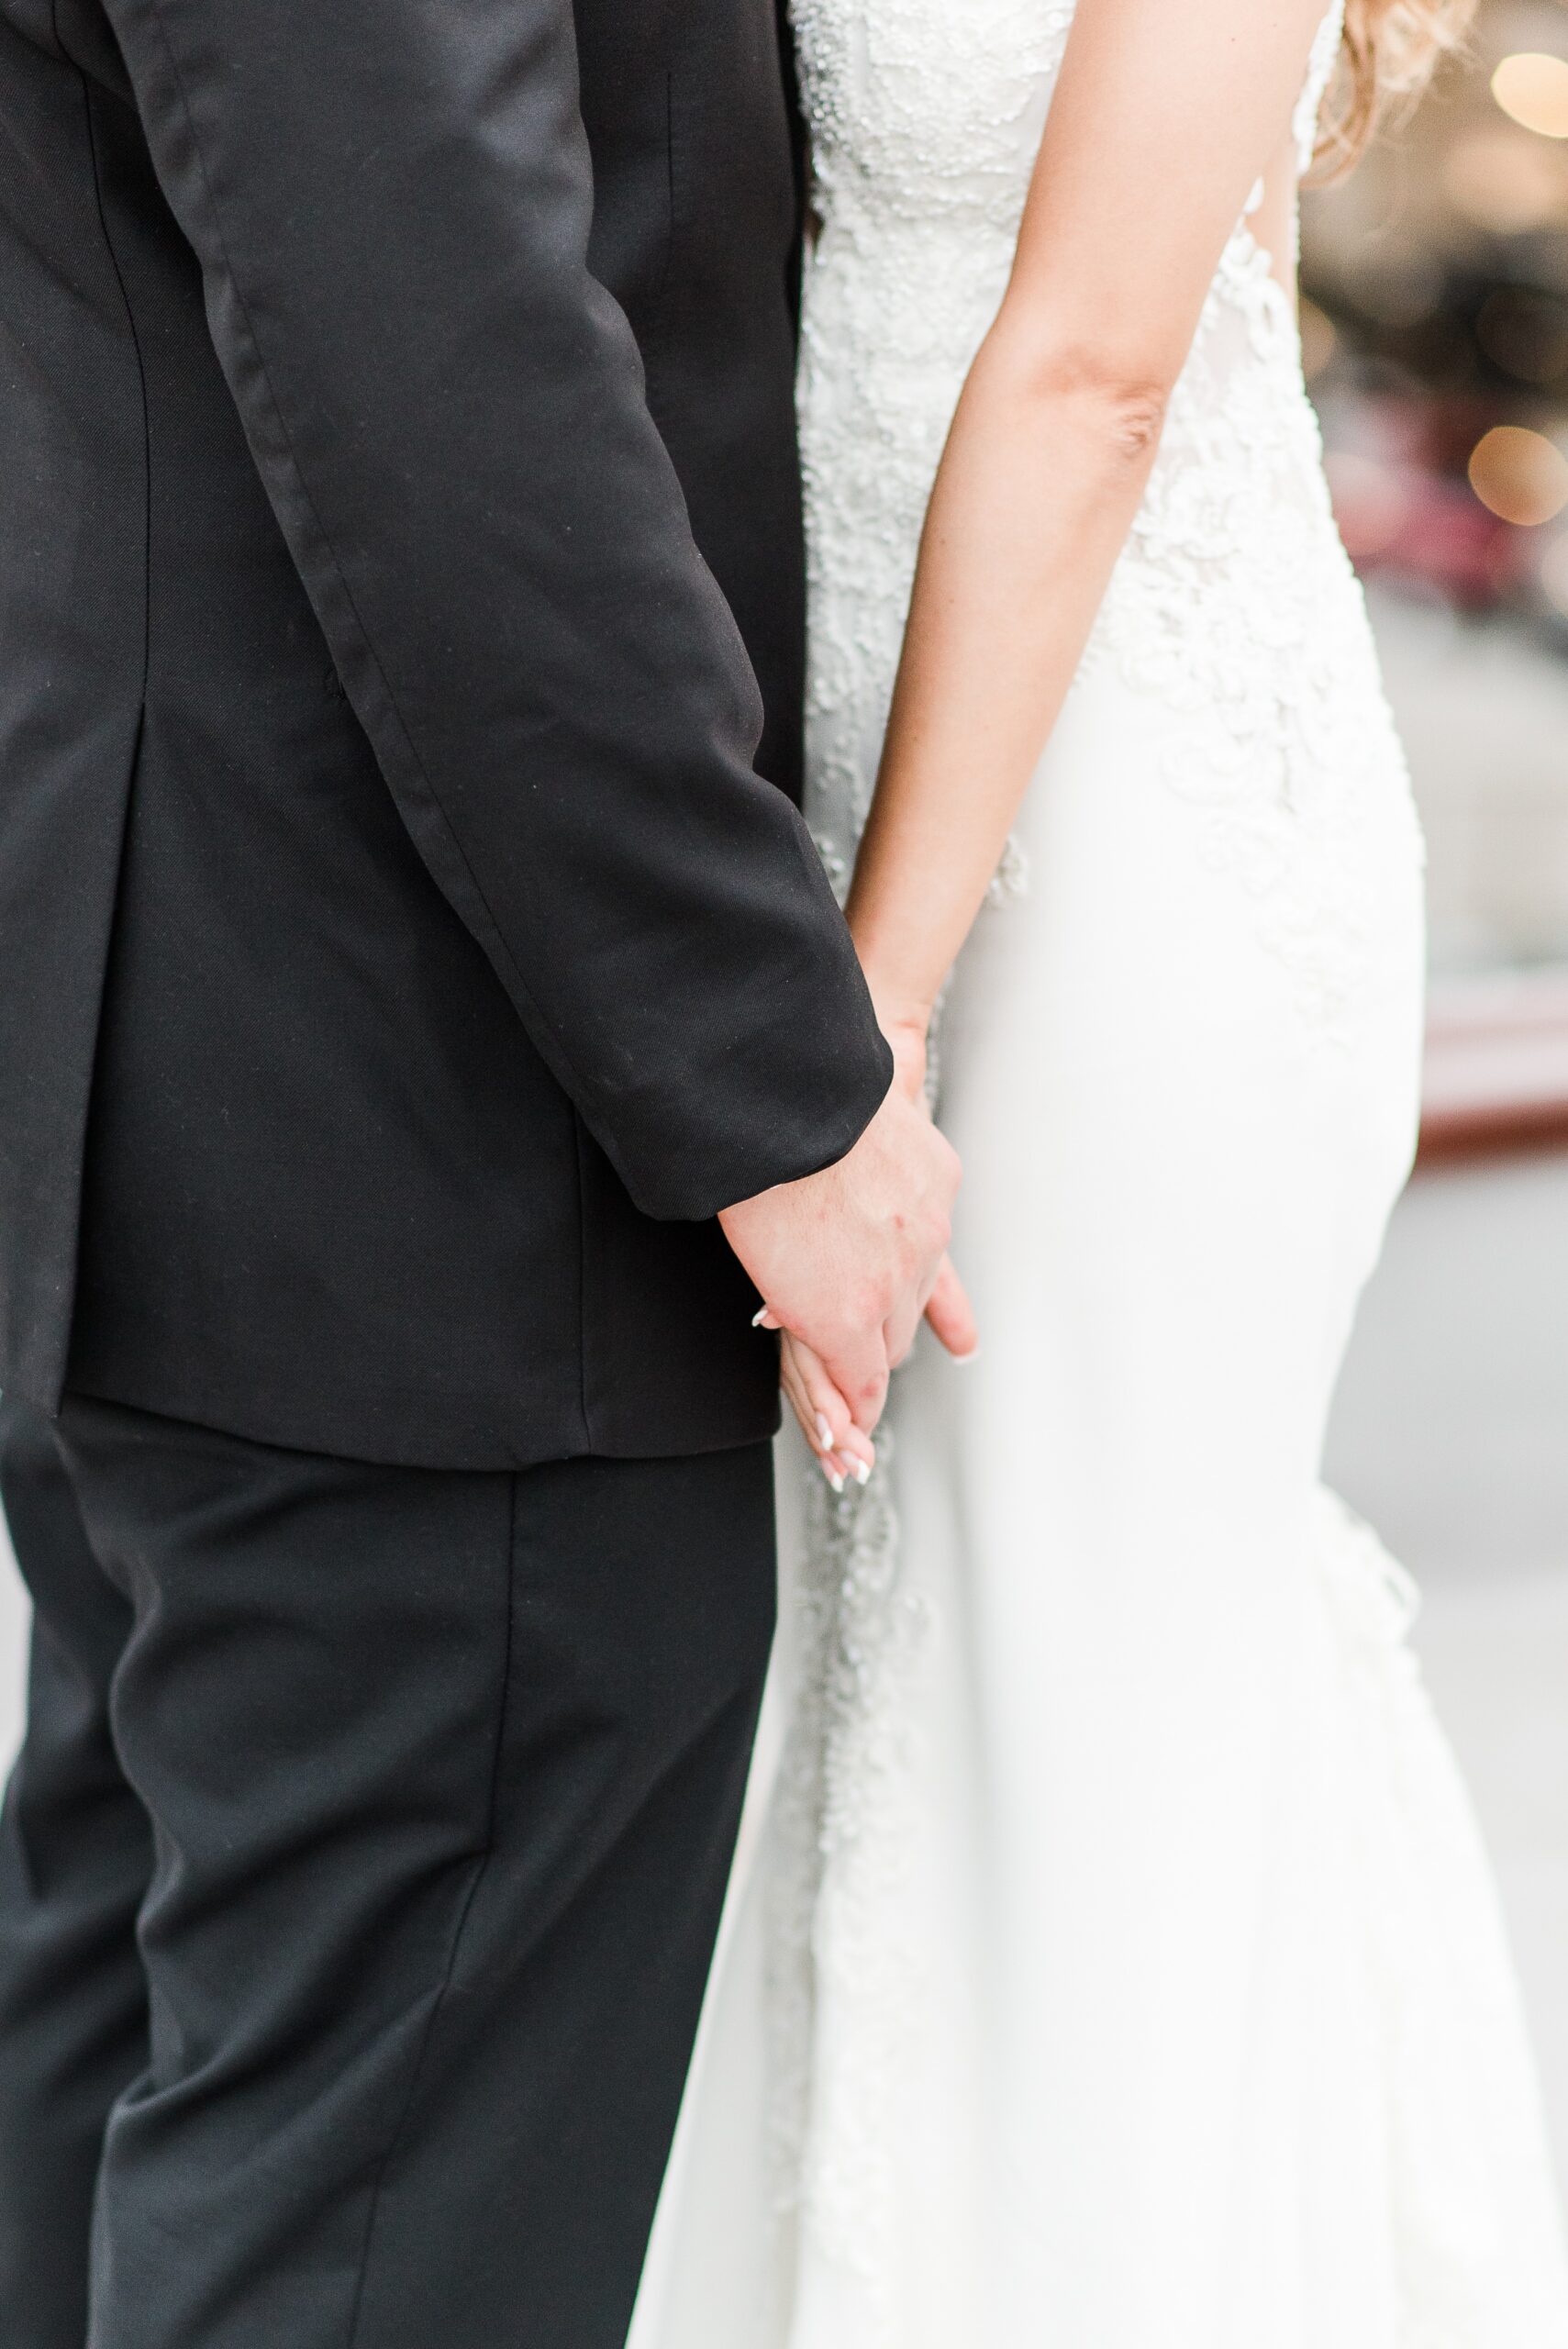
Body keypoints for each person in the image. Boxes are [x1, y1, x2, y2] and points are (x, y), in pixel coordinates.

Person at [0, 3, 967, 2343]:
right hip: (414, 1111)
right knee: (359, 2210)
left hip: (226, 1050)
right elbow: (430, 339)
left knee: (145, 2065)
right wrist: (766, 1080)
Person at [629, 2, 1568, 2343]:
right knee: (874, 1679)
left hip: (1112, 826)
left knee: (1075, 1679)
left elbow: (1096, 368)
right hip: (848, 790)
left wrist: (871, 1016)